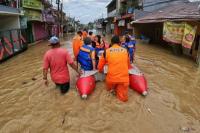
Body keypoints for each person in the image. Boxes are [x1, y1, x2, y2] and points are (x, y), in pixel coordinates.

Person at [98, 35, 130, 102]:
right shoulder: (125, 51)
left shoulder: (106, 52)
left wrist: (100, 71)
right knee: (123, 100)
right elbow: (128, 66)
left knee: (108, 91)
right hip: (123, 79)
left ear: (111, 43)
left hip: (111, 79)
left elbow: (100, 67)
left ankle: (111, 90)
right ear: (119, 43)